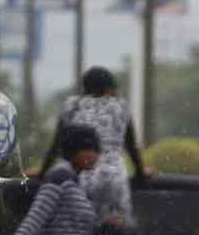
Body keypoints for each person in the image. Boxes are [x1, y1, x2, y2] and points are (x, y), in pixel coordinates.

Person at [1, 126, 141, 235]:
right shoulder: (60, 177)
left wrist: (105, 225)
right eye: (91, 149)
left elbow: (77, 229)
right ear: (76, 150)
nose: (97, 156)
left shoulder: (75, 181)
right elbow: (35, 218)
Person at [37, 66, 146, 225]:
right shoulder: (121, 106)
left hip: (76, 176)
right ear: (109, 88)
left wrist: (42, 172)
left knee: (79, 229)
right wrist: (141, 172)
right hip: (112, 178)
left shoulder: (72, 105)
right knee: (116, 232)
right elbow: (132, 147)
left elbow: (56, 146)